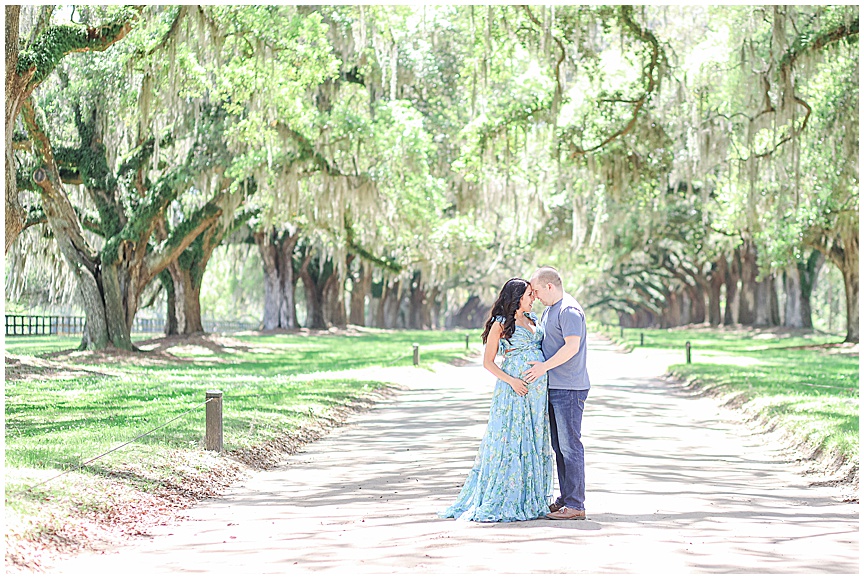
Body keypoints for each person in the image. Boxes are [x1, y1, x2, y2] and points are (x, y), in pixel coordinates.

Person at [438, 278, 554, 522]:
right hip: (514, 392)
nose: (533, 299)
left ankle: (531, 498)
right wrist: (512, 381)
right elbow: (488, 362)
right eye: (529, 295)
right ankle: (508, 497)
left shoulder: (534, 320)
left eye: (533, 295)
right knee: (512, 440)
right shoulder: (500, 324)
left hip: (536, 395)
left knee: (533, 438)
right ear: (516, 297)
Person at [523, 266, 590, 520]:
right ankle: (566, 498)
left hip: (569, 387)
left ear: (549, 286)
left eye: (537, 290)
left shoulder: (568, 310)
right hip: (554, 386)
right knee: (559, 447)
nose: (535, 295)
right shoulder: (550, 309)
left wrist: (543, 368)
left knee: (570, 446)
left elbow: (571, 348)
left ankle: (576, 505)